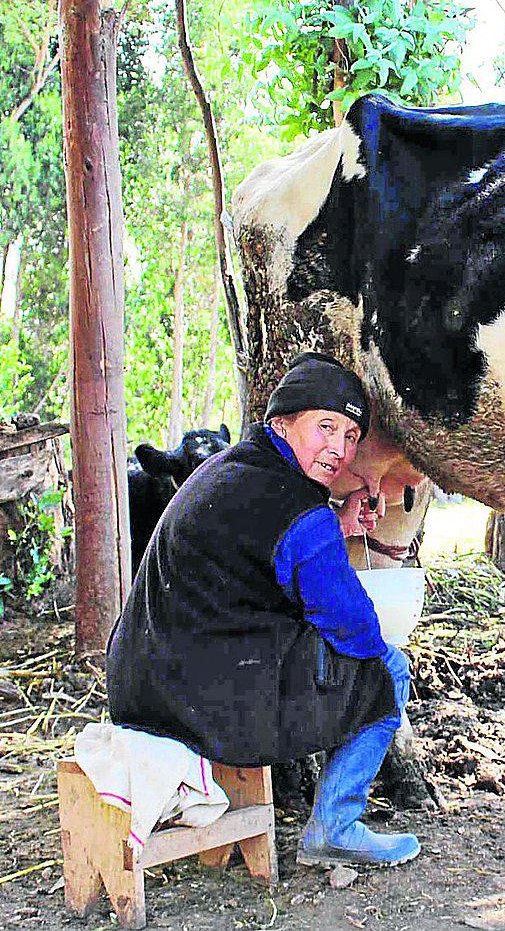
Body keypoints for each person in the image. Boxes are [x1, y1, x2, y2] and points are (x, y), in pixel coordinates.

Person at [106, 351, 420, 867]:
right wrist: (327, 537)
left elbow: (253, 556)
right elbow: (357, 631)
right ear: (283, 422)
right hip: (199, 706)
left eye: (349, 437)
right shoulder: (302, 515)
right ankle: (336, 826)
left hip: (137, 686)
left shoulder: (226, 467)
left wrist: (334, 522)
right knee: (387, 668)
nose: (338, 450)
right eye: (325, 427)